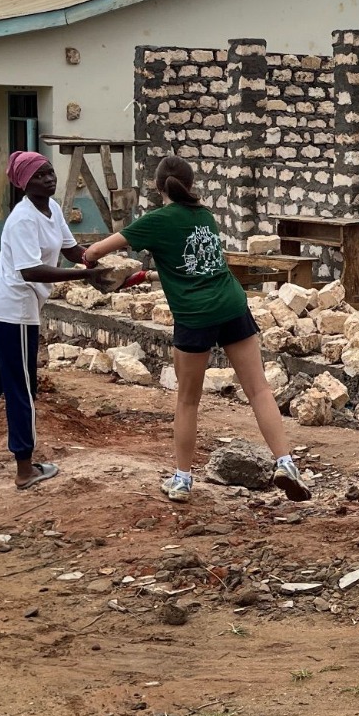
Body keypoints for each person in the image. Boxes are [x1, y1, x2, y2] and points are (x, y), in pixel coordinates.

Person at [83, 156, 311, 504]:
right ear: (190, 184)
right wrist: (146, 275)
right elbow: (194, 265)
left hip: (194, 314)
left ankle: (182, 480)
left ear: (157, 186)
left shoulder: (154, 221)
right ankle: (286, 463)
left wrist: (86, 261)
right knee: (259, 390)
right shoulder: (205, 216)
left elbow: (95, 252)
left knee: (188, 400)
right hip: (231, 303)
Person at [0, 151, 103, 490]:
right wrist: (84, 276)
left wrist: (98, 261)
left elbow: (72, 250)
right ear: (24, 183)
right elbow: (31, 271)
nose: (49, 179)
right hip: (13, 311)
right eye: (40, 175)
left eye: (50, 172)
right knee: (21, 388)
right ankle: (25, 469)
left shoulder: (52, 209)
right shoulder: (23, 219)